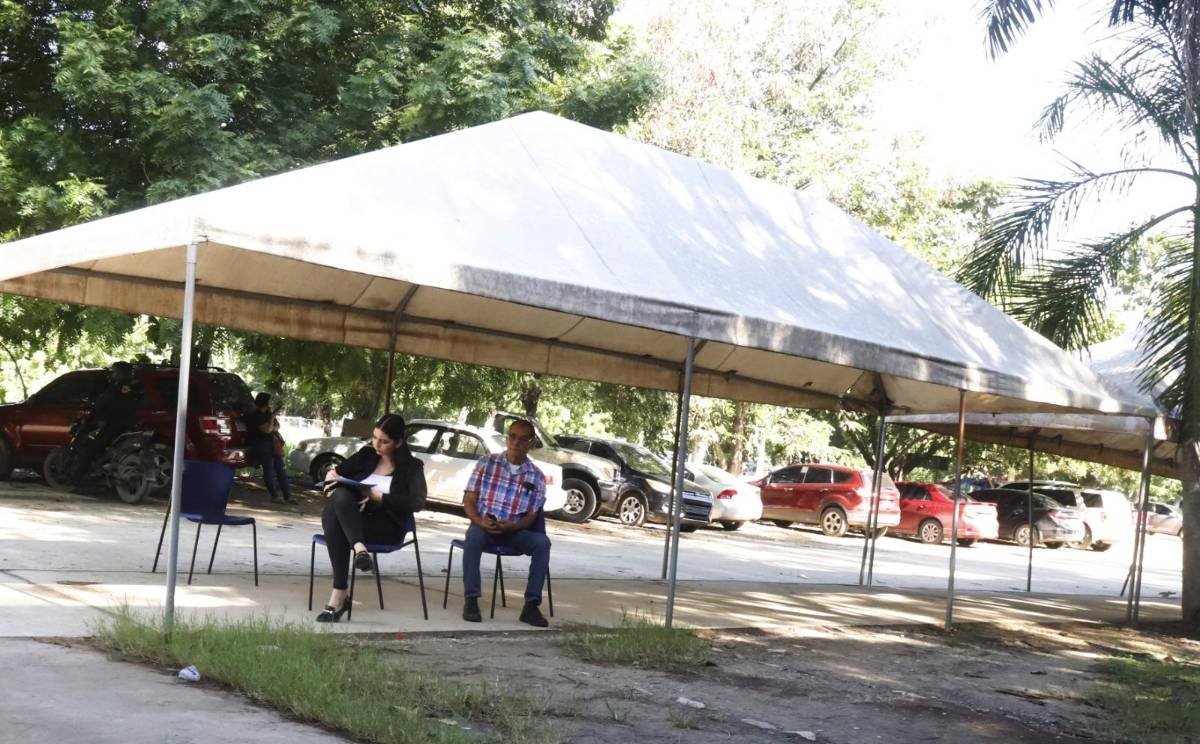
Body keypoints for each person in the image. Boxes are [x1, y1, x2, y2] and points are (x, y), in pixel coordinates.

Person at [317, 413, 427, 622]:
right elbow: (335, 474)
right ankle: (359, 551)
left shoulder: (412, 468)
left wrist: (379, 497)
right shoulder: (367, 455)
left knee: (334, 520)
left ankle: (339, 595)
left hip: (386, 526)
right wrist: (330, 484)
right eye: (374, 437)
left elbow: (417, 503)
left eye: (384, 441)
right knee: (338, 497)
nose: (376, 444)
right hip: (355, 522)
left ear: (399, 442)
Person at [460, 418, 551, 627]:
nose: (515, 442)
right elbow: (469, 500)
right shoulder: (486, 463)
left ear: (531, 442)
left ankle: (530, 606)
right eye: (512, 436)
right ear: (507, 437)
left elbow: (531, 516)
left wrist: (513, 526)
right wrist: (479, 521)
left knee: (542, 543)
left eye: (522, 439)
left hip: (514, 530)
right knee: (473, 536)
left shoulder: (536, 476)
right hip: (485, 527)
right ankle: (471, 600)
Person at [71, 361, 142, 481]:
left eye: (114, 371)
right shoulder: (133, 388)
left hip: (113, 425)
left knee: (91, 448)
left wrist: (90, 418)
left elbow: (102, 405)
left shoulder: (116, 388)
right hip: (128, 425)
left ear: (120, 373)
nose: (112, 374)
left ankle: (77, 479)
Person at [245, 392, 294, 504]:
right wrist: (272, 418)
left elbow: (276, 427)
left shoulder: (267, 413)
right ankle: (275, 496)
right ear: (264, 403)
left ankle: (288, 496)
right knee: (269, 470)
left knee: (280, 469)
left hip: (272, 444)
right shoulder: (254, 415)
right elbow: (267, 430)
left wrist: (271, 423)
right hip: (261, 444)